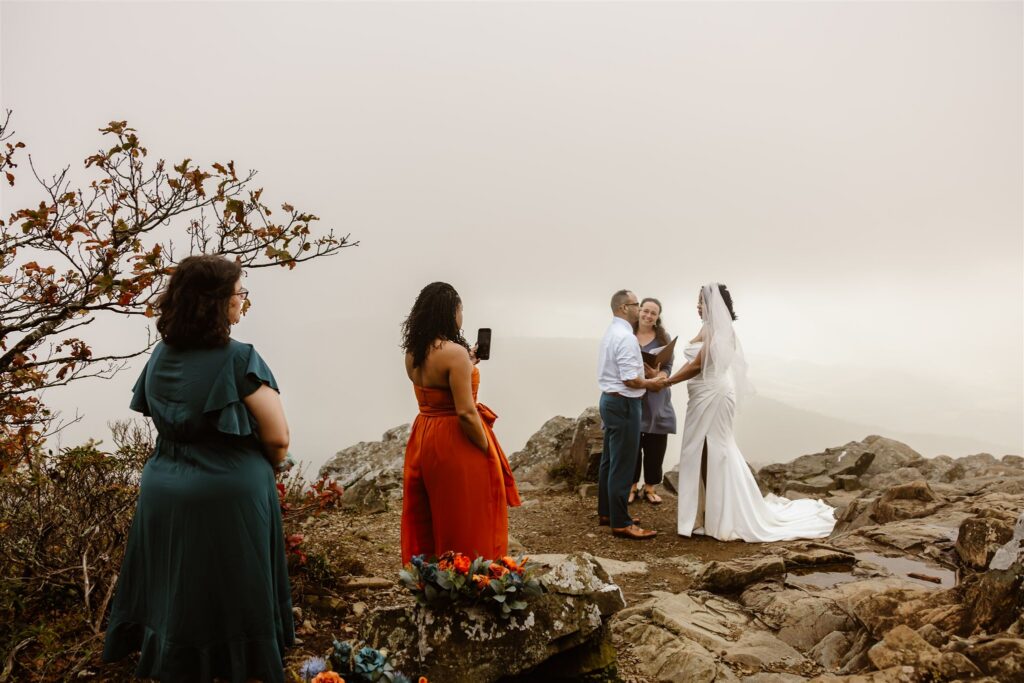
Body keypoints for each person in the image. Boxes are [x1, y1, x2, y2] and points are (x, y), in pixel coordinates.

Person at [103, 255, 295, 683]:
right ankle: (236, 664)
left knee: (178, 586)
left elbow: (156, 410)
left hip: (163, 487)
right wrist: (270, 468)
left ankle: (177, 661)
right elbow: (278, 437)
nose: (244, 301)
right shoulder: (239, 358)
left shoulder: (160, 355)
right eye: (240, 293)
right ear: (218, 303)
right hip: (229, 490)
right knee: (232, 587)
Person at [665, 283, 836, 542]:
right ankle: (708, 512)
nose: (697, 306)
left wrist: (666, 382)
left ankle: (727, 514)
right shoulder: (708, 328)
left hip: (714, 395)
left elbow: (698, 364)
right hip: (703, 395)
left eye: (701, 301)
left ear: (714, 305)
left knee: (718, 449)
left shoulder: (719, 330)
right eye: (698, 301)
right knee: (702, 450)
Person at [400, 282, 521, 564]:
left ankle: (437, 572)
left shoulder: (413, 352)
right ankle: (470, 575)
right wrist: (485, 447)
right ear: (450, 312)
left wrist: (469, 362)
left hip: (425, 434)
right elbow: (465, 412)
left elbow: (437, 389)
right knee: (468, 511)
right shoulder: (454, 353)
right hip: (455, 437)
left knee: (437, 510)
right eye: (460, 309)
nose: (461, 314)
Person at [597, 289, 668, 540]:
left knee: (609, 461)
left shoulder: (612, 332)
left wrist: (646, 373)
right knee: (623, 463)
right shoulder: (626, 337)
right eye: (636, 304)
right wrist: (653, 383)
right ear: (624, 308)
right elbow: (629, 380)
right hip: (625, 404)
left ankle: (607, 512)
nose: (639, 309)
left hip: (609, 400)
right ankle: (621, 522)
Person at [630, 297, 677, 505]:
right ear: (639, 311)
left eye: (653, 313)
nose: (648, 316)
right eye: (645, 311)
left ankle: (650, 487)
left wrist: (659, 375)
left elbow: (668, 368)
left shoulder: (663, 338)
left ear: (658, 318)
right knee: (632, 442)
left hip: (656, 396)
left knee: (656, 443)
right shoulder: (627, 335)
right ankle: (631, 486)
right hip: (632, 393)